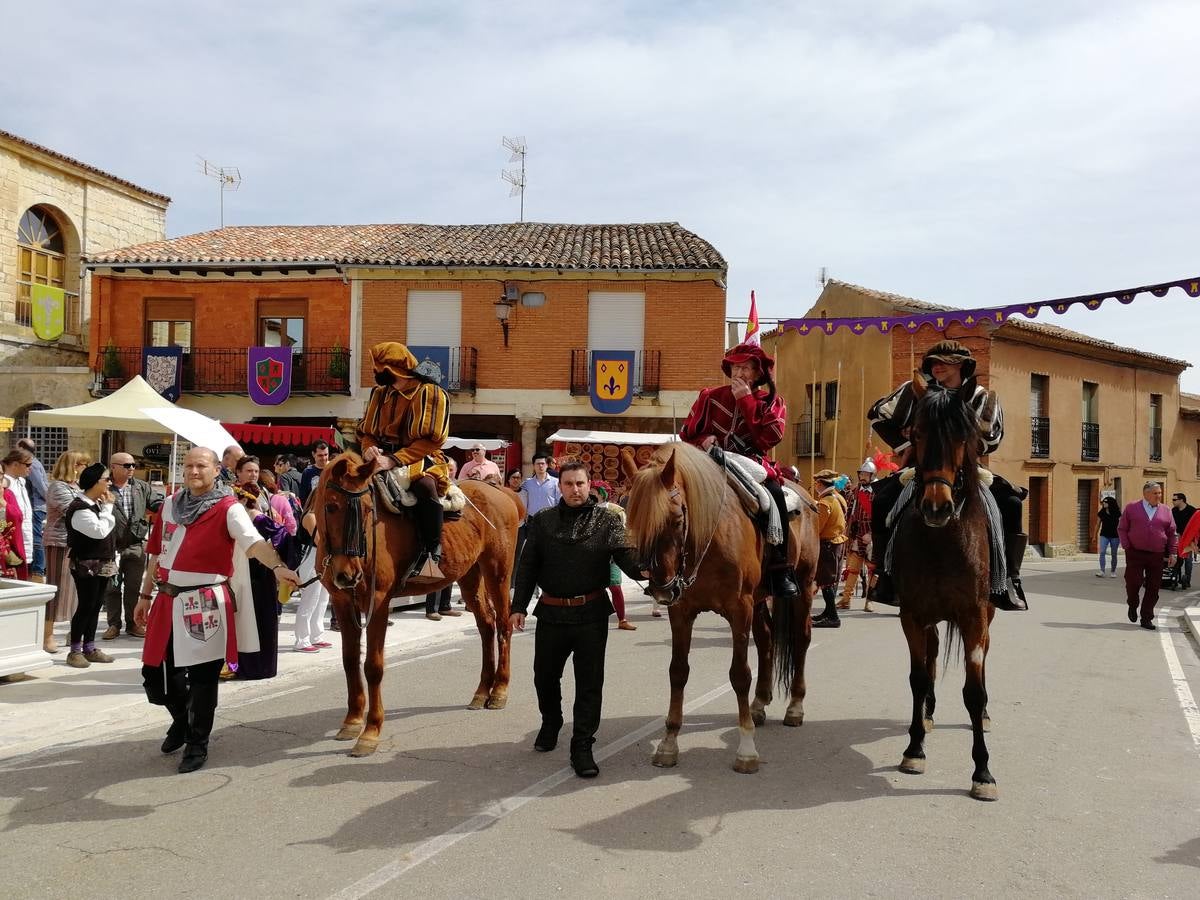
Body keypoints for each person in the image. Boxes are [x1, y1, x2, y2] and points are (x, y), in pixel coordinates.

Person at [134, 447, 299, 773]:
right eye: (189, 465)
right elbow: (155, 553)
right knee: (154, 675)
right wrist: (143, 595)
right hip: (166, 600)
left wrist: (278, 567)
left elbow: (253, 544)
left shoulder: (229, 508)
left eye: (201, 466)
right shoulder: (169, 505)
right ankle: (181, 720)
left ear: (215, 470)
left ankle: (197, 743)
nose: (194, 471)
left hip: (205, 603)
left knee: (202, 679)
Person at [866, 340, 1028, 611]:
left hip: (966, 467)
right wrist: (907, 444)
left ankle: (1010, 578)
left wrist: (954, 439)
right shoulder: (914, 392)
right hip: (922, 467)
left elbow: (991, 437)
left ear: (963, 365)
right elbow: (877, 416)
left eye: (945, 361)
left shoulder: (983, 397)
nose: (937, 366)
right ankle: (884, 574)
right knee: (882, 501)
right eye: (933, 362)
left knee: (1011, 504)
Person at [510, 462, 643, 778]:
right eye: (568, 484)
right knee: (544, 677)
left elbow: (625, 555)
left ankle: (582, 746)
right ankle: (551, 721)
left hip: (591, 615)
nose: (574, 489)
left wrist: (646, 571)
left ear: (589, 485)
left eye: (579, 483)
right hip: (551, 613)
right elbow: (528, 566)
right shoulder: (543, 521)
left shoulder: (608, 521)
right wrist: (518, 606)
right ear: (561, 487)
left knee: (589, 685)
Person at [679, 341, 798, 599]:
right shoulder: (709, 397)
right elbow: (687, 433)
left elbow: (768, 439)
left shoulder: (772, 402)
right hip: (709, 462)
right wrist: (703, 441)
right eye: (735, 367)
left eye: (746, 368)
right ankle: (667, 562)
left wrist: (745, 400)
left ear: (758, 374)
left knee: (775, 495)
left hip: (752, 463)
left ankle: (780, 568)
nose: (739, 373)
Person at [358, 341, 453, 582]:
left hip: (420, 456)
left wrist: (394, 460)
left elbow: (432, 441)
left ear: (394, 369)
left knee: (425, 486)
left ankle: (432, 552)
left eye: (378, 368)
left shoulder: (431, 393)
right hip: (381, 458)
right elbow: (367, 432)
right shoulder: (379, 394)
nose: (374, 373)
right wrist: (369, 449)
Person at [102, 452, 163, 640]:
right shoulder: (104, 487)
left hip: (136, 545)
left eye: (133, 465)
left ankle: (132, 623)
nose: (131, 469)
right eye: (127, 465)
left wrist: (169, 504)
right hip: (111, 547)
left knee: (133, 587)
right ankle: (113, 624)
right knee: (112, 587)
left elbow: (156, 504)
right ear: (113, 467)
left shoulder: (141, 487)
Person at [64, 463, 118, 668]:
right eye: (106, 479)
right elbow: (99, 531)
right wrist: (108, 508)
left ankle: (90, 647)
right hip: (86, 563)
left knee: (96, 606)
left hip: (103, 561)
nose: (109, 483)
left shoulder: (95, 504)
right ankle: (75, 650)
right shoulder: (79, 507)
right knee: (86, 605)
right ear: (95, 482)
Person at [42, 451, 91, 653]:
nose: (85, 468)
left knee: (75, 592)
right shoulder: (58, 487)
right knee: (56, 588)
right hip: (59, 542)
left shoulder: (78, 487)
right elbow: (72, 510)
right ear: (72, 465)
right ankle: (47, 635)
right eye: (82, 464)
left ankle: (74, 633)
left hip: (76, 543)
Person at [1117, 481, 1177, 630]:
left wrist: (1173, 553)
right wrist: (1126, 546)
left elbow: (1171, 534)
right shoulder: (1132, 508)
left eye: (1160, 493)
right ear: (1146, 494)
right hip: (1135, 552)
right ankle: (1132, 604)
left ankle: (1146, 617)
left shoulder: (1166, 510)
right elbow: (1122, 528)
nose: (1159, 496)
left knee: (1153, 587)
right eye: (1155, 493)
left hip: (1157, 554)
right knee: (1133, 582)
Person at [811, 469, 849, 628]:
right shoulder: (838, 498)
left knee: (826, 581)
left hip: (828, 544)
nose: (815, 486)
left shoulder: (825, 503)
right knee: (829, 580)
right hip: (837, 542)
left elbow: (817, 527)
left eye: (816, 483)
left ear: (820, 484)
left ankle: (833, 617)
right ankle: (828, 612)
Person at [293, 507, 333, 653]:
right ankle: (302, 639)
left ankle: (317, 635)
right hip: (311, 558)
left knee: (323, 598)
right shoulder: (310, 516)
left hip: (323, 557)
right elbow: (319, 540)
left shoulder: (322, 515)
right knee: (310, 599)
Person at [839, 459, 875, 611]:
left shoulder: (877, 492)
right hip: (857, 534)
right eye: (861, 473)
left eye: (866, 474)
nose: (863, 476)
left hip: (871, 535)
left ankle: (869, 600)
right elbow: (849, 513)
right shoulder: (856, 491)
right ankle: (846, 599)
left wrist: (872, 534)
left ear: (872, 476)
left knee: (873, 570)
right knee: (853, 569)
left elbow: (880, 516)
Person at [519, 454, 561, 566]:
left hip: (550, 519)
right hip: (533, 520)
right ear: (533, 466)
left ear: (547, 465)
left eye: (543, 463)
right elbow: (521, 497)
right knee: (533, 548)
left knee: (549, 548)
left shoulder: (556, 482)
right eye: (538, 464)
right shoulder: (527, 483)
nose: (540, 466)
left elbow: (559, 501)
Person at [1, 449, 34, 582]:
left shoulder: (21, 481)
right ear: (15, 464)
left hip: (23, 534)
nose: (30, 469)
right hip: (9, 540)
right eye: (27, 465)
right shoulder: (6, 483)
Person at [16, 438, 47, 582]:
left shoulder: (32, 464)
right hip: (38, 505)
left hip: (36, 506)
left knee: (36, 539)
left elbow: (40, 486)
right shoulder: (36, 462)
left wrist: (48, 500)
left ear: (22, 447)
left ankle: (37, 571)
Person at [1169, 493, 1195, 590]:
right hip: (1177, 537)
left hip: (1189, 538)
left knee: (1188, 560)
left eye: (1175, 499)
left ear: (1182, 500)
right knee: (1178, 558)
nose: (1173, 501)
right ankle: (1176, 577)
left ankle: (1187, 580)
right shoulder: (1173, 511)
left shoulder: (1192, 510)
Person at [298, 441, 331, 505]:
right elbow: (303, 497)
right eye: (320, 455)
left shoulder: (334, 468)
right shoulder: (307, 472)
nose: (324, 458)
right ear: (313, 454)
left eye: (326, 454)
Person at [1096, 496, 1122, 578]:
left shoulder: (1117, 513)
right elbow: (1097, 524)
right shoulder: (1101, 513)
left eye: (1105, 502)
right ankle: (1102, 571)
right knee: (1102, 552)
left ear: (1110, 503)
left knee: (1114, 554)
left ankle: (1113, 571)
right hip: (1104, 535)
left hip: (1115, 536)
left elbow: (1122, 525)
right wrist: (1094, 535)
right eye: (1103, 502)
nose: (1104, 503)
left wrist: (1122, 536)